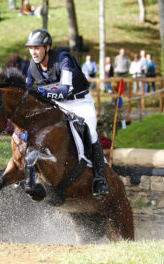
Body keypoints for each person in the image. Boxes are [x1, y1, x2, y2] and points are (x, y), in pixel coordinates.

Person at [25, 29, 109, 197]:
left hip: (80, 102)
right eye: (31, 48)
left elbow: (65, 89)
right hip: (58, 105)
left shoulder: (63, 59)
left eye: (37, 48)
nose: (33, 52)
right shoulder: (32, 67)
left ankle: (100, 178)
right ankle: (28, 173)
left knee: (91, 132)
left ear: (47, 48)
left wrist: (41, 92)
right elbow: (27, 92)